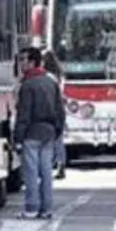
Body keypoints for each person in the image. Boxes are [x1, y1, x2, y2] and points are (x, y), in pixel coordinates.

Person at [13, 47, 65, 219]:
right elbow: (60, 109)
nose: (20, 64)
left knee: (31, 173)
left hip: (32, 132)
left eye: (23, 60)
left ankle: (32, 207)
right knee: (46, 172)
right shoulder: (50, 82)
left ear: (32, 62)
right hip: (49, 132)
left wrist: (18, 137)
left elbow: (24, 113)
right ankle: (46, 208)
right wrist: (58, 130)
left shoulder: (27, 85)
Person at [42, 49, 67, 180]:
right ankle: (61, 164)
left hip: (50, 109)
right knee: (59, 140)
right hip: (59, 109)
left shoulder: (46, 76)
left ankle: (49, 165)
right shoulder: (58, 74)